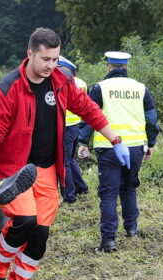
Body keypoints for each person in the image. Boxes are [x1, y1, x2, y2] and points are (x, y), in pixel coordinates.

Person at [0, 28, 128, 280]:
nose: (50, 66)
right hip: (15, 170)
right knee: (24, 221)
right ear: (30, 54)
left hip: (47, 170)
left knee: (40, 234)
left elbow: (88, 109)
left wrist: (115, 140)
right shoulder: (9, 87)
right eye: (45, 59)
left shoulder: (61, 80)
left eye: (55, 59)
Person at [77, 51, 159, 253]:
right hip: (136, 147)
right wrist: (151, 143)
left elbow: (90, 116)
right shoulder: (140, 88)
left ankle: (108, 240)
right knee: (129, 188)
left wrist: (82, 141)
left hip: (109, 147)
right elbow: (151, 118)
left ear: (108, 67)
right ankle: (132, 228)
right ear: (126, 67)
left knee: (108, 194)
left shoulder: (100, 88)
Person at [57, 56, 90, 203]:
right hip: (76, 125)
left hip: (64, 126)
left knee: (63, 162)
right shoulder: (82, 83)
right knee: (69, 159)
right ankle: (81, 187)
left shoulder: (61, 81)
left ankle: (69, 196)